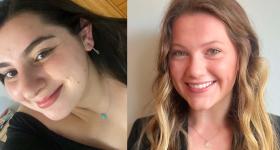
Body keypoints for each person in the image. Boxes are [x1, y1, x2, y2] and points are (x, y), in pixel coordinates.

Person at [128, 0, 280, 149]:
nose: (195, 71)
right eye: (180, 53)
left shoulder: (277, 134)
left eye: (213, 51)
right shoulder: (145, 135)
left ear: (242, 57)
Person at [0, 0, 127, 149]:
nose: (29, 90)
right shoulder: (28, 134)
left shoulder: (143, 51)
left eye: (41, 54)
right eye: (10, 73)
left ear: (85, 36)